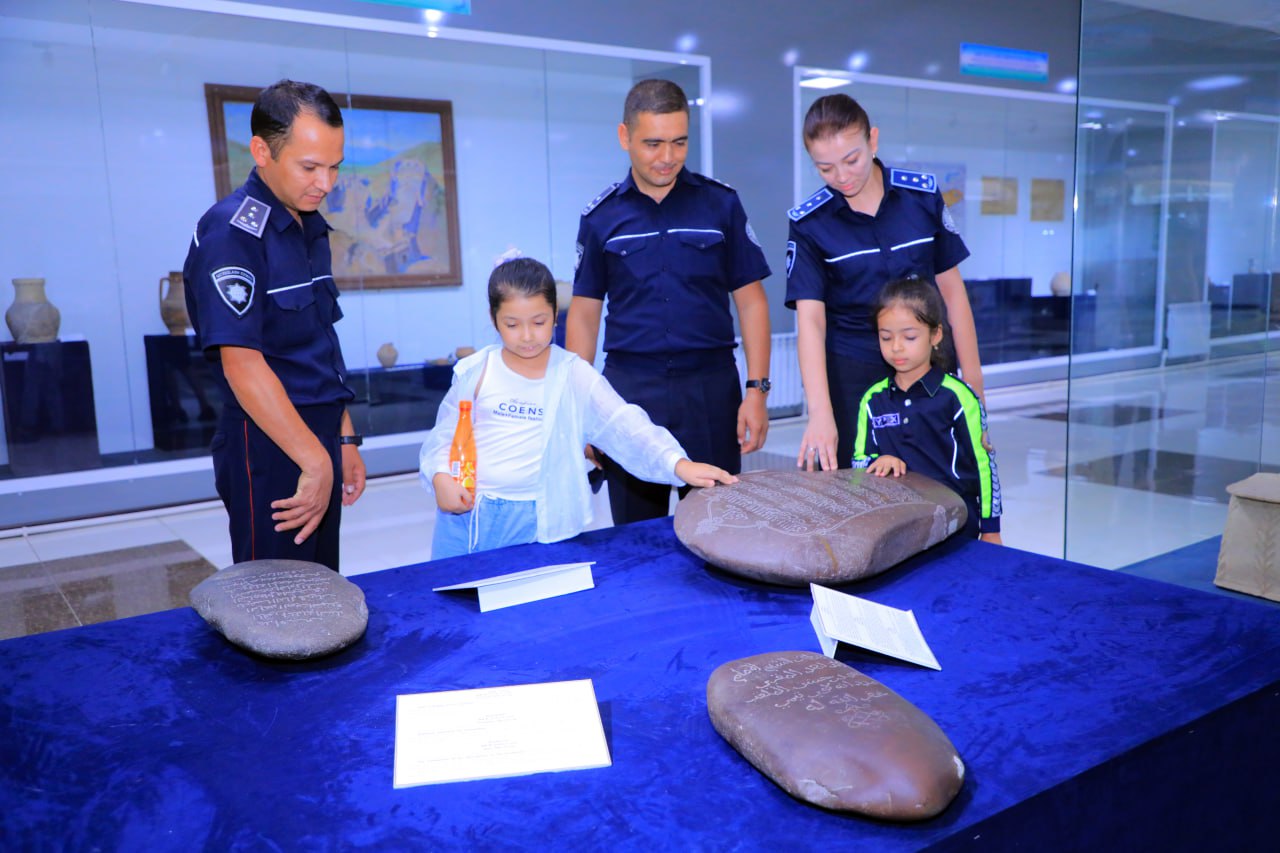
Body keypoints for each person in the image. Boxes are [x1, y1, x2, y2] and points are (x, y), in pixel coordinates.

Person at [421, 257, 737, 558]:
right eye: (512, 324)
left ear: (555, 316)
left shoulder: (572, 374)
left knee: (532, 596)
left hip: (540, 522)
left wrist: (676, 464)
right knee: (454, 594)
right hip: (467, 515)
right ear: (494, 320)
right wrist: (439, 476)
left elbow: (624, 425)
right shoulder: (476, 371)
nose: (527, 336)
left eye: (539, 322)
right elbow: (443, 436)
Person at [567, 78, 772, 526]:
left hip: (711, 391)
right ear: (624, 136)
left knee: (720, 527)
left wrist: (757, 391)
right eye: (653, 143)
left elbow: (752, 302)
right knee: (637, 534)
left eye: (679, 142)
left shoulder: (721, 205)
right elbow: (584, 316)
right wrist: (583, 412)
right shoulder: (601, 217)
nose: (667, 157)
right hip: (631, 394)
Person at [183, 79, 365, 573]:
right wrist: (313, 458)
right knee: (275, 594)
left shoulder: (309, 226)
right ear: (262, 151)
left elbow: (319, 345)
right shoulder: (232, 234)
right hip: (269, 442)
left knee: (321, 584)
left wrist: (343, 439)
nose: (325, 183)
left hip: (318, 439)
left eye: (334, 167)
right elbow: (242, 364)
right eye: (310, 167)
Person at [787, 93, 985, 473]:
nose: (841, 176)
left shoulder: (920, 197)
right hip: (853, 373)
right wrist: (820, 412)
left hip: (929, 367)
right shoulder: (810, 223)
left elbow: (953, 292)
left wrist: (974, 383)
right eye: (825, 168)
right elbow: (810, 321)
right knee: (859, 486)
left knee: (938, 476)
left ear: (873, 140)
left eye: (852, 160)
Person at [853, 278, 1002, 543]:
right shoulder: (872, 400)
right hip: (895, 528)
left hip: (956, 525)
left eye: (909, 337)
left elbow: (984, 466)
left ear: (936, 335)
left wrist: (991, 528)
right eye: (886, 337)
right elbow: (858, 464)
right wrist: (879, 461)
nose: (896, 346)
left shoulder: (958, 396)